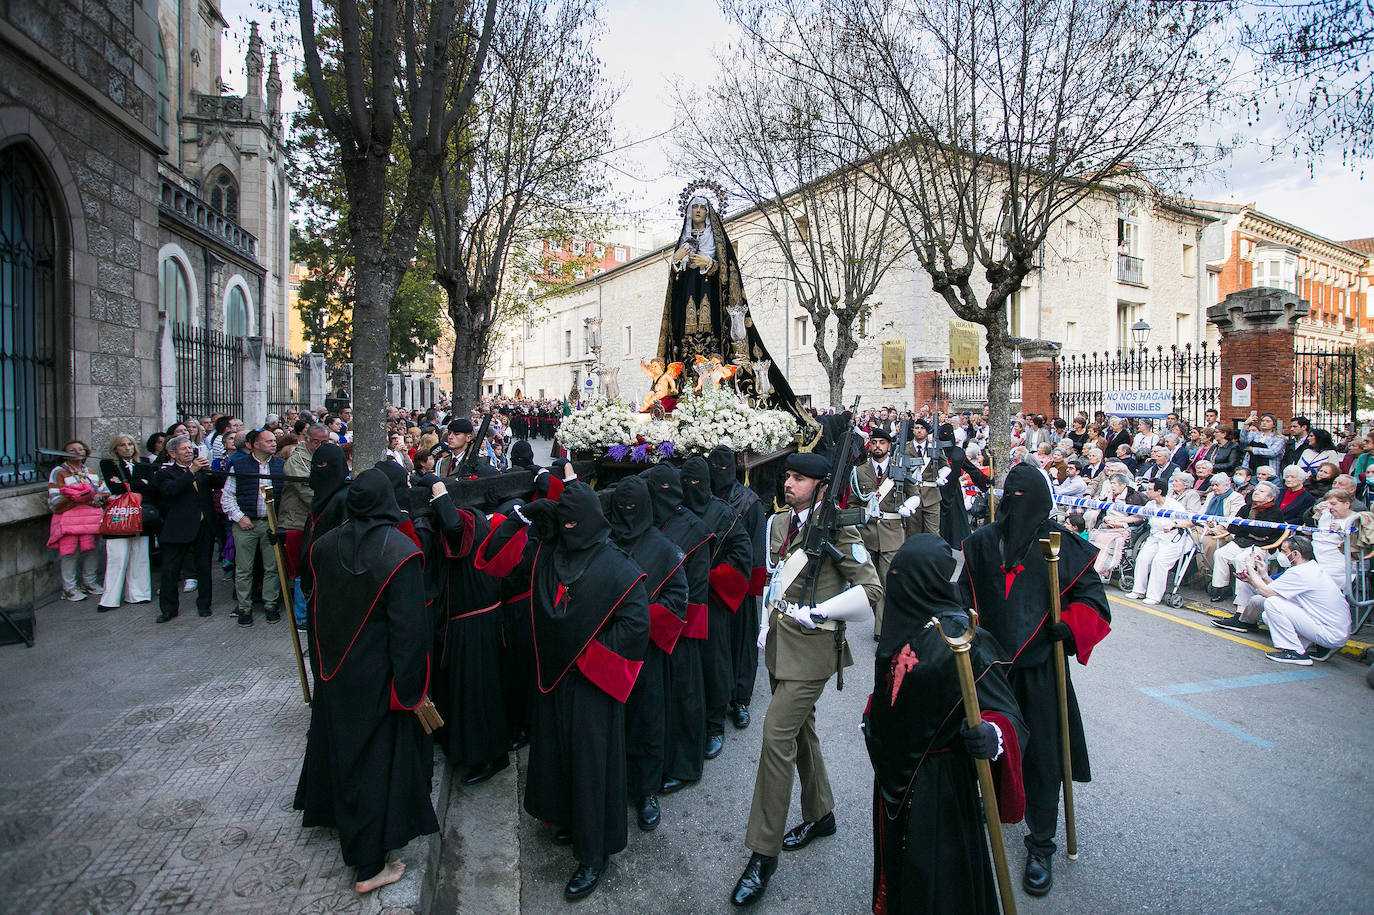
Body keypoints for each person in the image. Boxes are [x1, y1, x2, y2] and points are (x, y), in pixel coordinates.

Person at [475, 483, 650, 900]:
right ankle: (565, 820)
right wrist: (520, 517)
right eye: (563, 521)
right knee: (556, 754)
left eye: (576, 522)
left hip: (591, 683)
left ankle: (594, 854)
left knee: (591, 765)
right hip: (551, 679)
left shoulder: (619, 568)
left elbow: (635, 628)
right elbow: (492, 564)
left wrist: (584, 654)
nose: (569, 528)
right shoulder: (548, 555)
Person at [730, 451, 882, 907]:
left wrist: (824, 611)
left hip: (813, 653)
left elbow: (873, 589)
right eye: (787, 476)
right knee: (801, 733)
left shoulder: (841, 528)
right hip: (779, 646)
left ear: (820, 485)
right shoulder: (780, 524)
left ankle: (762, 853)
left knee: (776, 736)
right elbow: (775, 581)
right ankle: (821, 814)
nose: (788, 483)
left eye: (798, 478)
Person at [960, 463, 1110, 898]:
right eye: (1013, 495)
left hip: (1042, 670)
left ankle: (1041, 843)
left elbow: (1094, 602)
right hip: (989, 670)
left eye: (1028, 497)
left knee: (1043, 757)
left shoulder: (1062, 545)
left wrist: (1072, 625)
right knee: (986, 745)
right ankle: (982, 812)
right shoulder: (981, 544)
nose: (1018, 505)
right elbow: (959, 598)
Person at [294, 469, 441, 895]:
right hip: (381, 678)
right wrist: (411, 690)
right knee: (376, 766)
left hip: (336, 671)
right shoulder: (402, 551)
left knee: (346, 752)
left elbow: (315, 605)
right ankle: (369, 866)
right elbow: (410, 631)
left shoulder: (323, 546)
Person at [865, 535, 1027, 914]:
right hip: (893, 773)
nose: (896, 581)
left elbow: (1005, 712)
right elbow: (891, 685)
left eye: (906, 575)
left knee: (938, 877)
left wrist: (993, 733)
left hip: (940, 784)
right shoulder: (904, 619)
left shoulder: (963, 636)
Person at [658, 188, 806, 422]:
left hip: (714, 313)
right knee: (686, 357)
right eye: (694, 207)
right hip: (686, 314)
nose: (698, 211)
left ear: (708, 213)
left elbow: (731, 273)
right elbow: (673, 287)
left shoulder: (718, 242)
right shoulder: (683, 242)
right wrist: (676, 262)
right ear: (688, 212)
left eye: (702, 207)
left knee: (715, 356)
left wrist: (712, 264)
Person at [604, 476, 689, 833]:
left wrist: (637, 620)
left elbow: (677, 598)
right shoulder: (602, 542)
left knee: (647, 720)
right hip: (606, 649)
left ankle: (646, 790)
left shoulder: (663, 548)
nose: (627, 514)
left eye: (632, 507)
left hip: (645, 651)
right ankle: (609, 788)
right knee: (607, 724)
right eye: (620, 507)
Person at [641, 463, 714, 793]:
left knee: (684, 694)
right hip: (657, 623)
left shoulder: (692, 527)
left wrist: (671, 619)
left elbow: (697, 584)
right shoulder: (651, 521)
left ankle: (685, 765)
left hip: (680, 624)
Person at [681, 456, 751, 761]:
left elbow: (741, 554)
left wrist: (709, 578)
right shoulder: (677, 510)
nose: (691, 488)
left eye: (697, 482)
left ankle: (714, 725)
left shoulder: (724, 514)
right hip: (681, 601)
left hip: (711, 601)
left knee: (713, 663)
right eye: (687, 483)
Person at [1214, 535, 1351, 665]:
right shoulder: (1309, 568)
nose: (1282, 555)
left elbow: (1268, 593)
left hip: (1330, 633)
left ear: (1296, 554)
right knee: (1266, 612)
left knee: (1273, 603)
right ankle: (1247, 623)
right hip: (1331, 628)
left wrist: (1249, 567)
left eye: (1285, 552)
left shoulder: (1301, 572)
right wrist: (1262, 575)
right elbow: (1274, 588)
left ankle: (1294, 651)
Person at [707, 445, 767, 730]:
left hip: (738, 586)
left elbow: (756, 551)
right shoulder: (702, 496)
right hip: (708, 582)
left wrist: (749, 588)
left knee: (742, 643)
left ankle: (741, 698)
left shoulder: (749, 502)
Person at [851, 428, 913, 640]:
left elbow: (915, 495)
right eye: (874, 442)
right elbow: (853, 503)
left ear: (889, 446)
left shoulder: (899, 470)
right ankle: (881, 623)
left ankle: (883, 628)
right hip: (868, 534)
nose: (877, 446)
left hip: (892, 535)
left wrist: (909, 505)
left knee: (889, 582)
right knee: (873, 583)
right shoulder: (859, 472)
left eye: (882, 442)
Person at [221, 429, 285, 626]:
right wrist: (240, 518)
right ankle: (244, 607)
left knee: (272, 567)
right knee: (244, 568)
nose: (273, 444)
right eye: (268, 441)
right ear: (255, 444)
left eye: (274, 441)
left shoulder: (280, 466)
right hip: (246, 523)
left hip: (270, 523)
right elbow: (228, 496)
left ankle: (270, 604)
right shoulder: (239, 465)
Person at [153, 435, 214, 621]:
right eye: (184, 449)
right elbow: (171, 491)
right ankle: (169, 609)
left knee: (204, 568)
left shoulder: (200, 471)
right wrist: (191, 471)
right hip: (178, 527)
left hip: (203, 525)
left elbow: (217, 485)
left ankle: (204, 605)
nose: (189, 451)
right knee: (171, 570)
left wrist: (209, 471)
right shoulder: (165, 473)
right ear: (172, 453)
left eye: (190, 448)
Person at [98, 434, 154, 610]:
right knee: (117, 556)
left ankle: (139, 594)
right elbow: (114, 487)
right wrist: (139, 483)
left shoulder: (143, 462)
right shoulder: (108, 464)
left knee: (140, 554)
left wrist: (128, 484)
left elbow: (150, 484)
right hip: (119, 513)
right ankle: (110, 599)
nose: (127, 448)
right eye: (122, 445)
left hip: (139, 512)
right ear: (116, 448)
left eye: (130, 444)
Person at [47, 440, 109, 601]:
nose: (77, 451)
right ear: (65, 453)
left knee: (93, 549)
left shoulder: (90, 471)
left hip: (91, 519)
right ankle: (69, 588)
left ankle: (90, 582)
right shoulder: (59, 472)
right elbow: (55, 498)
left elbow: (104, 492)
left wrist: (97, 498)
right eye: (72, 449)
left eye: (80, 449)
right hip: (70, 518)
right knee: (70, 552)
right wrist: (80, 499)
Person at [1209, 481, 1287, 603]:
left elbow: (1264, 533)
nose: (1256, 492)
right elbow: (1232, 528)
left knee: (1241, 559)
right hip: (1242, 541)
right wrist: (1251, 531)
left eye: (1261, 491)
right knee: (1220, 554)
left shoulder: (1275, 512)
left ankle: (1241, 597)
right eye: (1256, 490)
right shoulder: (1246, 508)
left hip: (1263, 546)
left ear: (1270, 497)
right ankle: (1221, 588)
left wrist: (1243, 525)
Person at [1128, 479, 1193, 604]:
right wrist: (1118, 520)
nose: (1147, 491)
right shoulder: (1150, 505)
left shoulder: (1174, 505)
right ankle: (1138, 590)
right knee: (1142, 558)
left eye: (1150, 489)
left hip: (1173, 539)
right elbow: (1137, 516)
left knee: (1159, 562)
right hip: (1154, 537)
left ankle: (1154, 596)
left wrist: (1174, 524)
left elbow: (1189, 521)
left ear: (1159, 491)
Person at [897, 420, 942, 536]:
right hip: (912, 495)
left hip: (931, 496)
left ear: (927, 431)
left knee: (933, 533)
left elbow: (945, 465)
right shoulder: (905, 449)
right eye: (916, 427)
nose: (919, 430)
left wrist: (942, 476)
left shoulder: (934, 448)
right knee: (912, 532)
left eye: (922, 428)